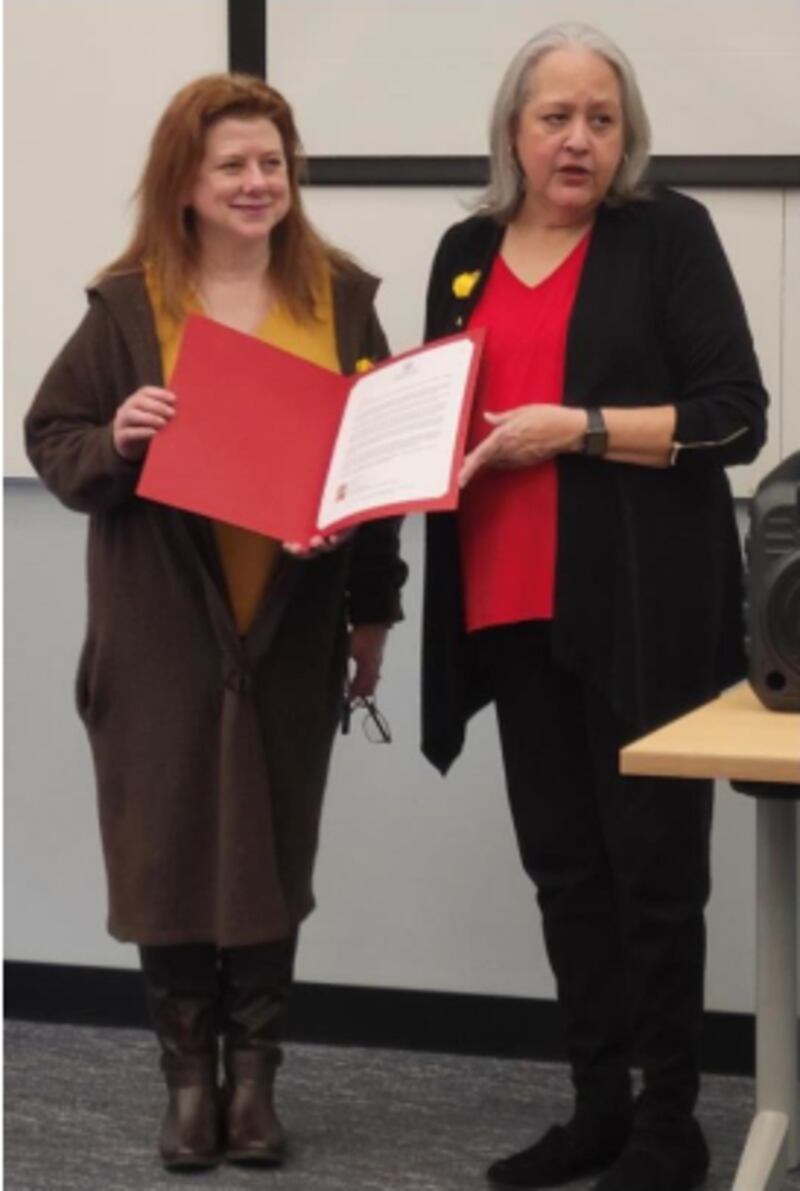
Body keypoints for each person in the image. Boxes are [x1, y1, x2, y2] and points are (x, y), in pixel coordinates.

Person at [25, 74, 407, 1172]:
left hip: (291, 628)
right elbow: (54, 440)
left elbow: (380, 469)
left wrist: (371, 616)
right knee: (168, 848)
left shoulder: (340, 298)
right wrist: (119, 437)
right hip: (159, 635)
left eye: (271, 163)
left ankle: (255, 1085)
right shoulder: (127, 305)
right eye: (230, 165)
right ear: (183, 184)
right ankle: (188, 1084)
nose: (255, 182)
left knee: (271, 848)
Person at [421, 22, 766, 1191]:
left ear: (626, 137)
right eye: (554, 116)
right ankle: (597, 1112)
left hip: (638, 609)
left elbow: (734, 416)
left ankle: (670, 1126)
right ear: (511, 131)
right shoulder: (463, 249)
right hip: (505, 605)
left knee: (653, 876)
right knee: (564, 871)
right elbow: (430, 414)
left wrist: (578, 428)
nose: (577, 139)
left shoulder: (666, 233)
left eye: (600, 119)